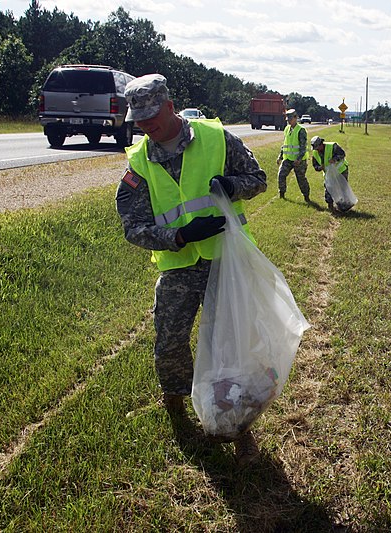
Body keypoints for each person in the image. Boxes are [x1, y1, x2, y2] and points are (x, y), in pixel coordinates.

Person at [115, 73, 267, 464]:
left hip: (223, 261)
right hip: (180, 267)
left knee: (228, 344)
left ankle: (239, 428)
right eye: (139, 118)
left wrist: (232, 186)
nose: (146, 124)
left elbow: (258, 179)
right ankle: (177, 407)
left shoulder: (216, 138)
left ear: (169, 105)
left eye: (152, 114)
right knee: (169, 342)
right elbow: (134, 228)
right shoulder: (139, 162)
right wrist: (179, 237)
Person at [276, 109, 310, 202]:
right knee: (281, 175)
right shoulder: (287, 129)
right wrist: (280, 156)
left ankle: (306, 196)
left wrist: (298, 159)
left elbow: (303, 147)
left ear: (296, 118)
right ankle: (282, 194)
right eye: (287, 119)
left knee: (301, 179)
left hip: (299, 161)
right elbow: (285, 144)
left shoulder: (301, 130)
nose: (289, 121)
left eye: (290, 119)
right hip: (288, 159)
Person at [309, 135, 349, 211]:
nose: (317, 150)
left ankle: (345, 207)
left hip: (341, 170)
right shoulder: (315, 153)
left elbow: (342, 154)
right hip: (329, 174)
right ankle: (330, 206)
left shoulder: (332, 146)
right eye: (315, 148)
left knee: (342, 188)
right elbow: (315, 166)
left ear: (321, 144)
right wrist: (320, 168)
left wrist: (335, 159)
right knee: (329, 188)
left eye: (317, 148)